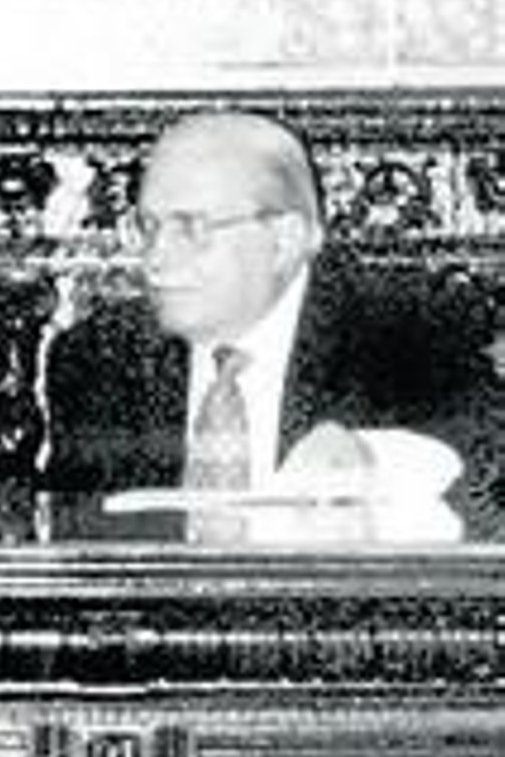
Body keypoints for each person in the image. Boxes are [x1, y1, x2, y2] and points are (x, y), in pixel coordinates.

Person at [43, 109, 501, 542]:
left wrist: (374, 458)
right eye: (148, 226)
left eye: (192, 228)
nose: (156, 257)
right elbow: (75, 541)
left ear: (285, 239)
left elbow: (490, 472)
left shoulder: (405, 333)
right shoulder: (99, 356)